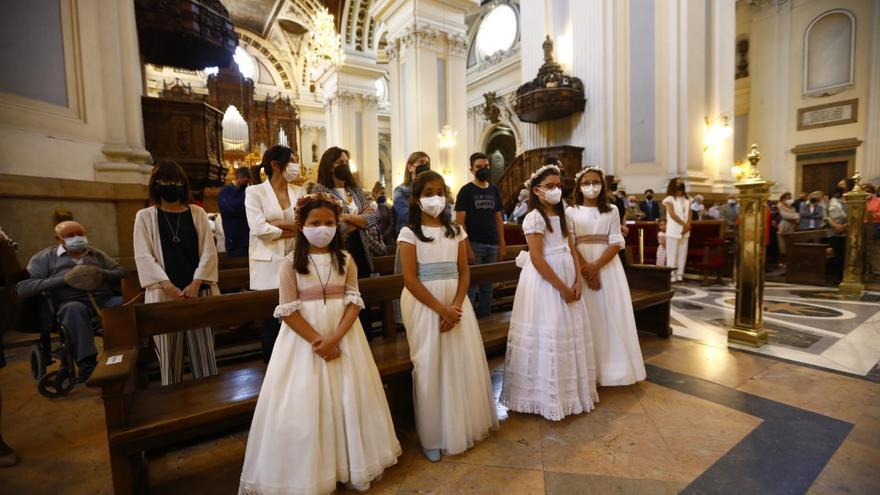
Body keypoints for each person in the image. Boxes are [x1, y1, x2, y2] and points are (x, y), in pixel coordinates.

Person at [239, 194, 401, 494]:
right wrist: (318, 341)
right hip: (304, 342)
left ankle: (350, 463)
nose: (323, 228)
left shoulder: (347, 260)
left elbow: (354, 302)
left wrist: (335, 338)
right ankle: (312, 470)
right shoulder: (290, 264)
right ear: (301, 225)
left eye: (329, 223)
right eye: (315, 223)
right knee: (306, 403)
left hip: (344, 337)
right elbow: (288, 310)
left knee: (349, 399)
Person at [398, 170, 497, 461]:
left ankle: (460, 425)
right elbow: (410, 279)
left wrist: (455, 305)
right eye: (428, 192)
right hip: (424, 303)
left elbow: (465, 272)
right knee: (430, 366)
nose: (435, 198)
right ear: (416, 198)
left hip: (456, 302)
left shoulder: (456, 230)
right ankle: (433, 436)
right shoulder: (409, 234)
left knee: (458, 362)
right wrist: (440, 308)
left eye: (440, 192)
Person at [501, 164, 598, 421]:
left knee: (568, 334)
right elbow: (537, 259)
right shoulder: (533, 218)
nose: (556, 189)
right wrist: (562, 287)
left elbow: (570, 248)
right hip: (546, 283)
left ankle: (568, 393)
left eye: (558, 185)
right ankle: (542, 396)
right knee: (550, 334)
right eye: (550, 186)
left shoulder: (563, 214)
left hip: (568, 275)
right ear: (537, 190)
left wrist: (577, 280)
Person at [133, 161, 219, 386]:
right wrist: (167, 285)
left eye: (177, 181)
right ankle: (173, 405)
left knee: (205, 359)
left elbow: (209, 252)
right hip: (164, 296)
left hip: (197, 293)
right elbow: (143, 256)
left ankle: (208, 399)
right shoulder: (144, 216)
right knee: (170, 362)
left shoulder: (197, 213)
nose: (172, 185)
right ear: (155, 184)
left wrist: (196, 283)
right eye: (166, 181)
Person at [16, 221, 123, 382]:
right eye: (70, 236)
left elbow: (120, 272)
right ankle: (87, 364)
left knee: (126, 304)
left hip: (103, 300)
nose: (77, 238)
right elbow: (23, 288)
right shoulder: (44, 259)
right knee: (74, 309)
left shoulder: (97, 255)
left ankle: (130, 353)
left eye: (80, 234)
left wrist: (102, 273)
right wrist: (64, 279)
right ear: (58, 239)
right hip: (70, 304)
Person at [568, 167, 646, 386]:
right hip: (580, 265)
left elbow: (615, 242)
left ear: (602, 185)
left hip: (608, 266)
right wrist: (586, 269)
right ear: (579, 186)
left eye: (595, 182)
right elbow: (571, 244)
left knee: (609, 314)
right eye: (586, 182)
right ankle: (587, 370)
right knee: (588, 316)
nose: (591, 186)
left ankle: (612, 370)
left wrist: (596, 266)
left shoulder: (611, 210)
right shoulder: (571, 211)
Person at [245, 145, 306, 362]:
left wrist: (276, 224)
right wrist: (292, 227)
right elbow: (259, 229)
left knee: (296, 318)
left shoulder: (299, 192)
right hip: (267, 268)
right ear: (275, 165)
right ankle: (272, 370)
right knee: (271, 326)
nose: (297, 164)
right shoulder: (254, 192)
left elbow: (304, 226)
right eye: (292, 159)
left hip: (295, 262)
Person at [311, 147, 378, 335]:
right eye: (340, 163)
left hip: (360, 250)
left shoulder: (355, 189)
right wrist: (358, 221)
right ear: (329, 166)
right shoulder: (321, 190)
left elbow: (372, 219)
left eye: (346, 162)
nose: (345, 166)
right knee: (344, 296)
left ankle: (365, 336)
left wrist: (346, 218)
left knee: (361, 295)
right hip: (339, 249)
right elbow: (334, 226)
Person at [455, 152, 506, 318]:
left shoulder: (493, 189)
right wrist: (466, 247)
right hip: (474, 243)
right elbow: (459, 222)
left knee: (488, 286)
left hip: (492, 243)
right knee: (471, 286)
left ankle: (485, 318)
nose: (483, 169)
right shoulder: (466, 191)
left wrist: (502, 244)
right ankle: (468, 321)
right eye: (479, 167)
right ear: (472, 169)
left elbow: (498, 218)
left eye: (485, 166)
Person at [392, 151, 431, 236]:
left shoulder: (433, 189)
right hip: (410, 234)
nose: (424, 165)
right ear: (410, 167)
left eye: (427, 164)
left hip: (432, 233)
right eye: (421, 162)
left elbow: (445, 212)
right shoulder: (400, 191)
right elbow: (408, 216)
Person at [662, 178, 691, 283]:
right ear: (673, 184)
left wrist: (687, 225)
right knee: (672, 253)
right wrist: (684, 224)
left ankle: (680, 274)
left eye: (682, 182)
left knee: (682, 253)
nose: (681, 183)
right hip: (674, 229)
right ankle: (671, 274)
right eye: (678, 182)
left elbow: (689, 213)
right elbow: (672, 214)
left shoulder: (688, 199)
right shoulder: (669, 199)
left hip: (685, 230)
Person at [217, 167, 251, 257]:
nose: (248, 185)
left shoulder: (247, 191)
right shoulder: (225, 192)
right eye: (246, 182)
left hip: (249, 238)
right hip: (234, 238)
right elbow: (231, 209)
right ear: (239, 178)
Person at [826, 186, 848, 282]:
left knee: (843, 255)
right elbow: (826, 216)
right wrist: (835, 226)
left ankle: (842, 276)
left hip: (846, 231)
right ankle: (835, 276)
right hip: (833, 232)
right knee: (836, 254)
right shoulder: (831, 202)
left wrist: (843, 227)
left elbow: (853, 215)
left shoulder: (849, 202)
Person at [372, 181, 397, 249]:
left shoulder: (386, 208)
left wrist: (383, 236)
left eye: (384, 194)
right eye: (382, 193)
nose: (383, 196)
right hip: (373, 240)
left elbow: (391, 224)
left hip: (385, 239)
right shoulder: (369, 207)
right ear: (375, 193)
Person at [777, 192, 799, 263]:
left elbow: (798, 217)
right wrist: (794, 216)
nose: (789, 199)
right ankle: (782, 263)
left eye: (790, 198)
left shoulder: (792, 207)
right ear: (783, 199)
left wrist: (794, 217)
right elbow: (784, 216)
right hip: (783, 227)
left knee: (790, 246)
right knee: (783, 248)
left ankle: (789, 263)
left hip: (791, 228)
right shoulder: (780, 206)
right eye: (787, 198)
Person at [863, 183, 880, 277]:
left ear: (872, 192)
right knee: (862, 248)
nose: (866, 193)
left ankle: (876, 269)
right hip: (861, 226)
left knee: (875, 248)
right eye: (864, 191)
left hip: (875, 225)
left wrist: (872, 214)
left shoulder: (878, 200)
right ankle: (863, 269)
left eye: (868, 191)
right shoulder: (860, 201)